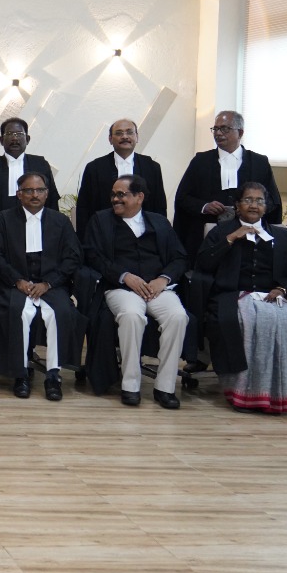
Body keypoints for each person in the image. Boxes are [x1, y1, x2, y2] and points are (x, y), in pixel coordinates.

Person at [195, 181, 287, 414]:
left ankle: (281, 393)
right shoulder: (221, 232)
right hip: (232, 295)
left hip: (273, 295)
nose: (253, 205)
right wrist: (231, 239)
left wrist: (282, 289)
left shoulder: (281, 236)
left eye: (259, 201)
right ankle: (243, 392)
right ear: (237, 205)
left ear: (266, 207)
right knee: (246, 321)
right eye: (248, 200)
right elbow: (204, 264)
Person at [84, 174, 190, 408]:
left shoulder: (159, 222)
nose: (115, 199)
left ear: (139, 197)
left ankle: (165, 387)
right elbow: (93, 256)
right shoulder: (100, 220)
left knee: (178, 317)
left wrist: (163, 279)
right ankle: (130, 385)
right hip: (121, 288)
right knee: (132, 316)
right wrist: (125, 276)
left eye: (121, 194)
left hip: (157, 289)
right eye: (113, 195)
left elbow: (180, 258)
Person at [0, 173, 82, 401]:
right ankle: (21, 374)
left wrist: (49, 283)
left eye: (40, 190)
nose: (35, 195)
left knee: (59, 312)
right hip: (13, 283)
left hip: (51, 284)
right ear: (19, 194)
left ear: (47, 193)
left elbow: (73, 257)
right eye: (28, 190)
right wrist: (17, 280)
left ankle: (53, 375)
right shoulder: (3, 219)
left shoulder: (60, 222)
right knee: (20, 312)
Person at [172, 109, 281, 264]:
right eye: (215, 129)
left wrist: (250, 209)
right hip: (206, 237)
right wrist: (204, 206)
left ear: (240, 132)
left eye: (224, 129)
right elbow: (183, 198)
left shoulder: (259, 162)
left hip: (248, 236)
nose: (218, 133)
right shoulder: (200, 161)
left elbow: (272, 201)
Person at [0, 117, 59, 269]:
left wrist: (54, 235)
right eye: (9, 134)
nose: (15, 139)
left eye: (19, 134)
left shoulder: (40, 164)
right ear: (1, 140)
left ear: (27, 139)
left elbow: (51, 200)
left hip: (34, 232)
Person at [74, 117, 166, 238]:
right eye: (119, 133)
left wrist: (160, 236)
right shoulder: (94, 168)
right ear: (110, 139)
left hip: (144, 236)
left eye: (129, 132)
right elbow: (84, 208)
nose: (125, 136)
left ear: (137, 137)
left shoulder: (152, 167)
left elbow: (159, 205)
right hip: (105, 235)